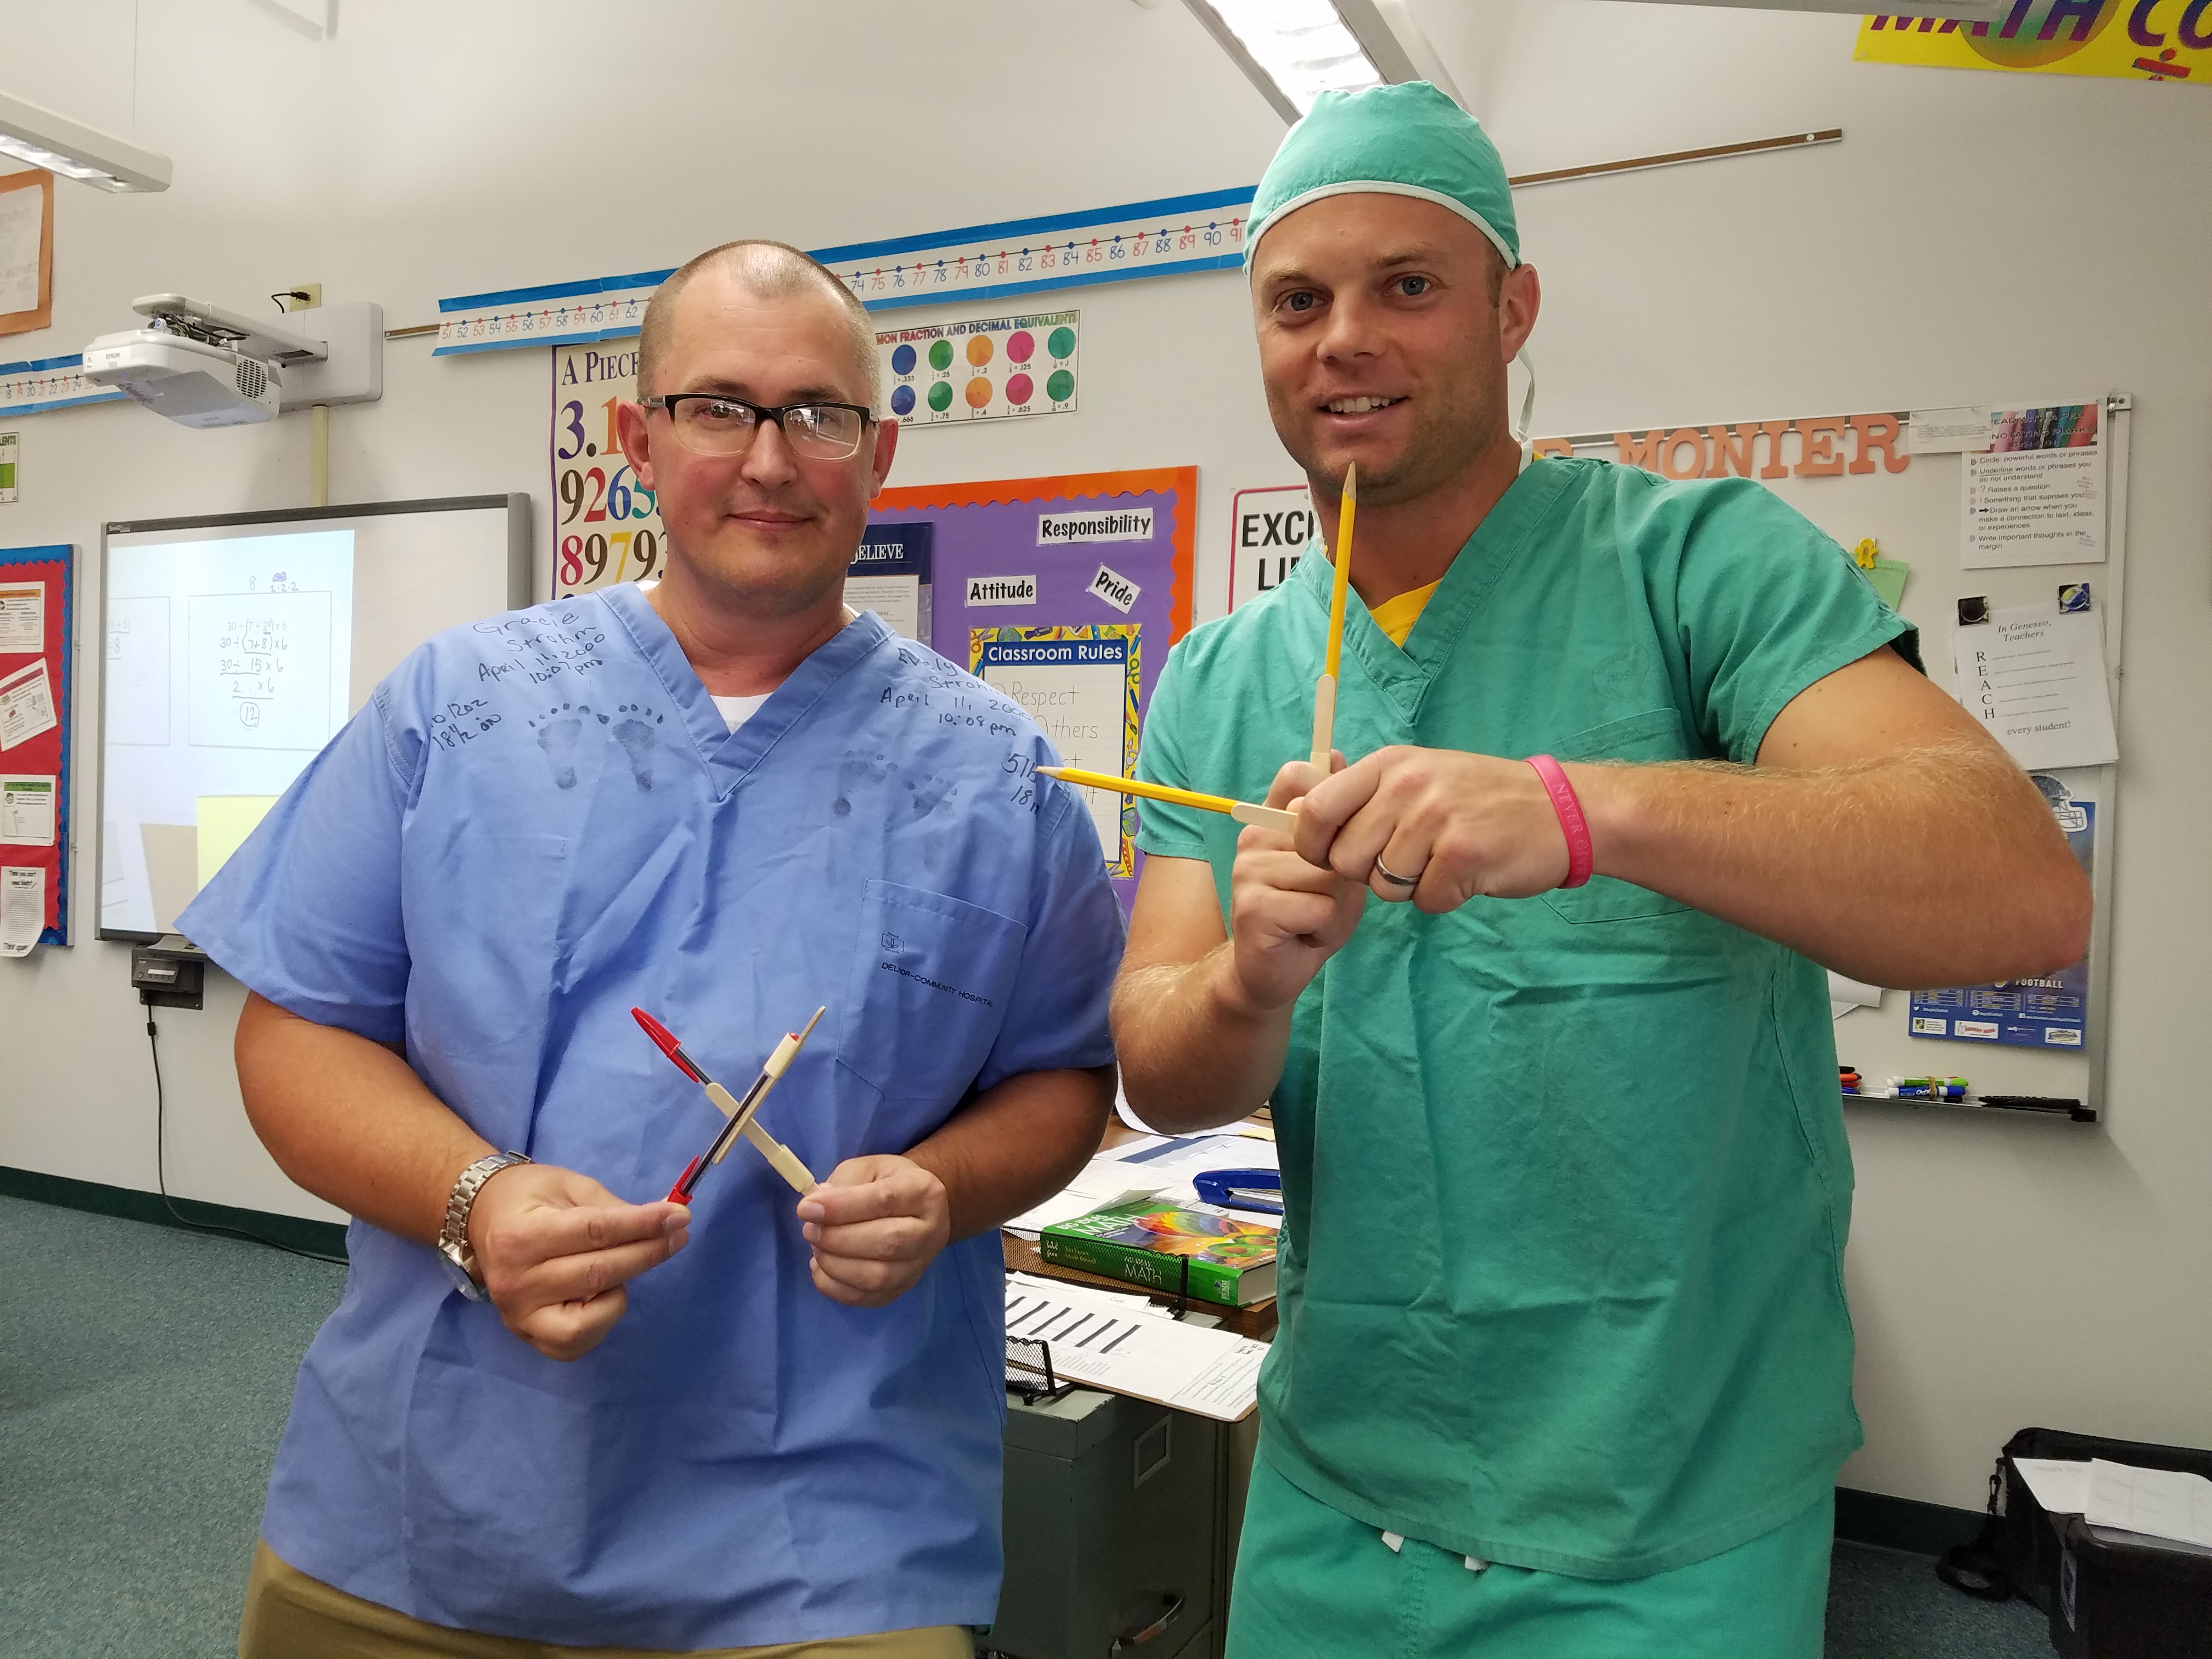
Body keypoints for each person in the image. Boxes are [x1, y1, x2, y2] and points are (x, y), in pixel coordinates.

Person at [1113, 84, 2090, 1658]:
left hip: (1664, 1525)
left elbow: (2014, 888)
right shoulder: (1220, 678)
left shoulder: (1699, 570)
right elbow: (1160, 1077)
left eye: (1408, 286)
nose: (1345, 339)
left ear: (1513, 310)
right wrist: (1249, 978)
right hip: (1336, 1495)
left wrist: (1590, 814)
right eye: (1297, 302)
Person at [180, 239, 1125, 1657]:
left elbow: (1062, 1079)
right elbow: (295, 1030)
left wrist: (946, 1189)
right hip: (433, 1511)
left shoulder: (997, 773)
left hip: (830, 1541)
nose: (770, 459)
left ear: (879, 455)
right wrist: (472, 1200)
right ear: (637, 440)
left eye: (819, 415)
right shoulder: (458, 706)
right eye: (719, 408)